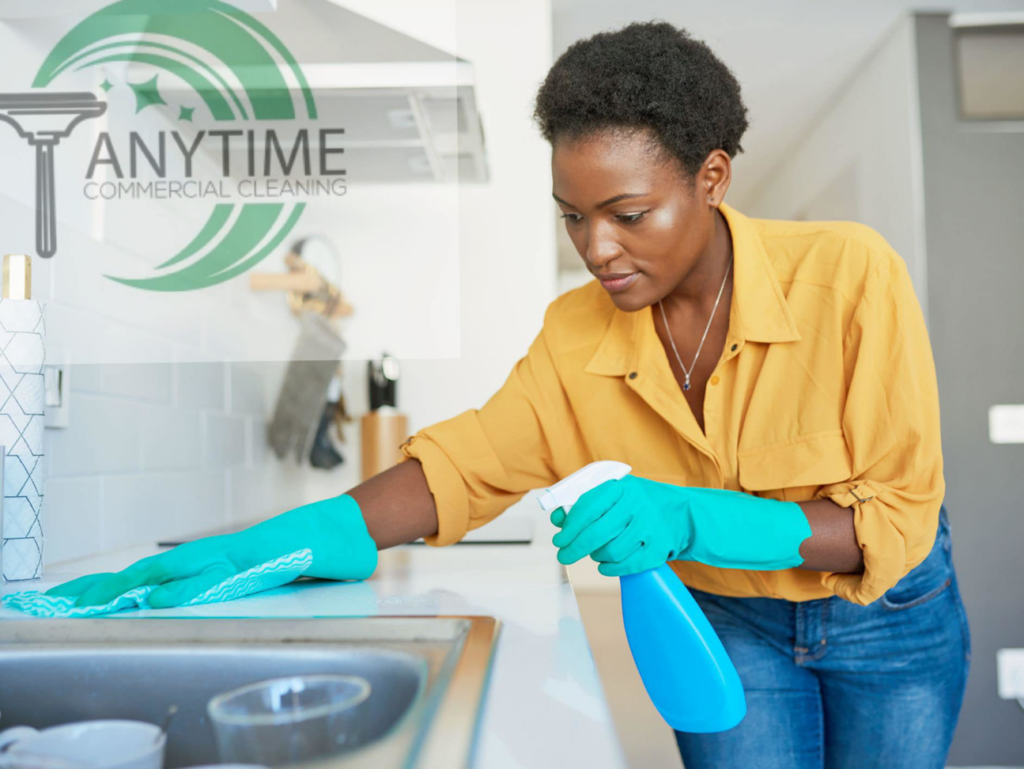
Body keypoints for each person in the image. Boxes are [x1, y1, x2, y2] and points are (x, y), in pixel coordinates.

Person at [49, 21, 969, 769]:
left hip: (885, 622)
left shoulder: (851, 276)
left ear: (712, 178)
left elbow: (890, 521)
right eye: (574, 215)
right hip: (724, 622)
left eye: (628, 214)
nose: (596, 247)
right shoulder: (576, 331)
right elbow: (468, 465)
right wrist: (309, 533)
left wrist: (692, 518)